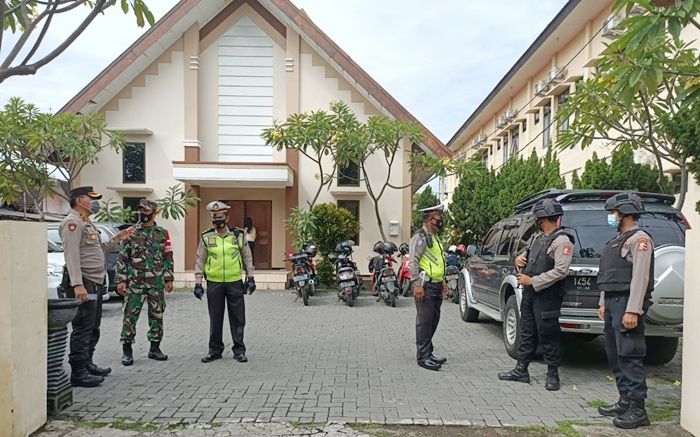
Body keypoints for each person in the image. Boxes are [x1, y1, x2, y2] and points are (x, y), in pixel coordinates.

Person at [59, 186, 133, 387]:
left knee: (93, 325)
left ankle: (88, 363)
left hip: (95, 282)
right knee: (83, 326)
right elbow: (71, 255)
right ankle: (78, 372)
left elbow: (99, 250)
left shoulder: (86, 223)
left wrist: (118, 238)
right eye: (91, 199)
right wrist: (77, 284)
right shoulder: (72, 222)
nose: (94, 203)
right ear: (79, 200)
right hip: (84, 283)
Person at [498, 198, 573, 391]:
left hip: (547, 296)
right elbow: (528, 257)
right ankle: (521, 370)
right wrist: (520, 260)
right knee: (527, 331)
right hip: (530, 294)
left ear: (543, 218)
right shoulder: (537, 239)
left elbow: (561, 271)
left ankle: (553, 374)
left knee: (548, 334)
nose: (536, 222)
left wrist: (534, 281)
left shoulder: (562, 241)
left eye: (537, 218)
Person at [596, 192, 653, 429]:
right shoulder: (616, 240)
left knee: (629, 354)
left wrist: (633, 310)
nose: (611, 217)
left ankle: (638, 410)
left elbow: (640, 277)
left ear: (625, 214)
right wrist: (602, 302)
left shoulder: (640, 240)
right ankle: (624, 400)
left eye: (614, 213)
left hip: (627, 304)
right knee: (614, 353)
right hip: (611, 303)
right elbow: (608, 277)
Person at [195, 201, 256, 363]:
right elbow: (200, 260)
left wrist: (250, 278)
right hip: (214, 283)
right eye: (214, 218)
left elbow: (247, 257)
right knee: (215, 318)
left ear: (227, 218)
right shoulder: (207, 237)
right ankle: (214, 350)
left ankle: (239, 350)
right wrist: (198, 282)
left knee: (238, 318)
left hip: (234, 281)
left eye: (220, 217)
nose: (217, 221)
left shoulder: (238, 235)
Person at [116, 199, 174, 366]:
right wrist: (121, 280)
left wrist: (168, 278)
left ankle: (154, 348)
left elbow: (168, 256)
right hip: (135, 282)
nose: (142, 214)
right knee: (129, 315)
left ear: (154, 213)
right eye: (140, 210)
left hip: (156, 282)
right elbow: (122, 256)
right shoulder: (131, 232)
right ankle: (127, 350)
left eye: (146, 211)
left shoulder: (163, 233)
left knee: (157, 314)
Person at [408, 204, 448, 371]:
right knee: (424, 322)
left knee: (433, 321)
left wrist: (443, 280)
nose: (441, 222)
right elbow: (414, 261)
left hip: (436, 284)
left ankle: (428, 352)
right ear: (430, 219)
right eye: (438, 218)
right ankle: (423, 357)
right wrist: (417, 284)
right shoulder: (421, 237)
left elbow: (438, 261)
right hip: (425, 285)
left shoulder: (435, 237)